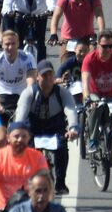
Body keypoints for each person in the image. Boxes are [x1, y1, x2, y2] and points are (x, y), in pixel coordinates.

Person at [13, 61, 79, 194]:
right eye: (44, 75)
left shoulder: (62, 92)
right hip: (33, 129)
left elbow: (71, 110)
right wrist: (17, 132)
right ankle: (22, 182)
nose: (48, 78)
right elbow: (21, 114)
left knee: (62, 148)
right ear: (37, 77)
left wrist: (72, 128)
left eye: (50, 75)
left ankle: (60, 182)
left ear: (54, 76)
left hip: (55, 128)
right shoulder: (29, 93)